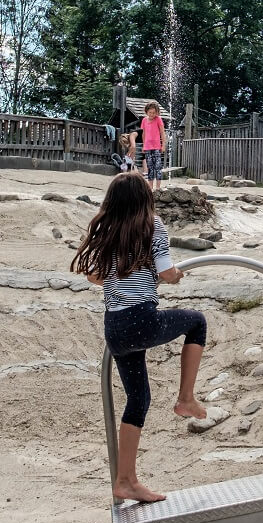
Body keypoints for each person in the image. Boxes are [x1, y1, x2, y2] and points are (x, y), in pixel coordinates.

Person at [71, 171, 207, 503]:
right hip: (141, 320)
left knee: (139, 399)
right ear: (144, 199)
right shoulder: (152, 226)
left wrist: (126, 275)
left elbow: (94, 276)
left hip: (115, 328)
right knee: (197, 323)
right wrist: (174, 277)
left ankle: (125, 480)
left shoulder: (107, 229)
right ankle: (186, 397)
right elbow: (165, 271)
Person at [141, 100, 166, 191]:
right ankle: (150, 187)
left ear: (157, 112)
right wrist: (144, 146)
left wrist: (163, 145)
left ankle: (158, 187)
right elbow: (144, 134)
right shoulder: (144, 120)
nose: (152, 114)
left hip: (156, 147)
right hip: (147, 147)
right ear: (147, 112)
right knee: (150, 167)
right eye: (150, 112)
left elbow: (162, 132)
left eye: (154, 113)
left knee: (158, 167)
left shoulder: (158, 119)